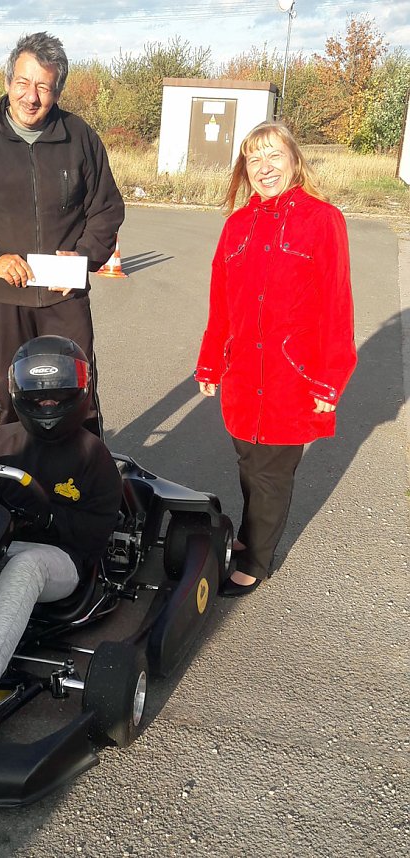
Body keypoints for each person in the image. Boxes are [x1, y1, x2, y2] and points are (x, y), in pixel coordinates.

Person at [0, 31, 125, 438]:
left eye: (43, 86)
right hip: (3, 295)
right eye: (23, 82)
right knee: (16, 399)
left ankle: (83, 485)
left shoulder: (80, 138)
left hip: (65, 297)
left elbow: (106, 209)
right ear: (7, 83)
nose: (31, 96)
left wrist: (85, 256)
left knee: (78, 396)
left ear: (58, 90)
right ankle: (19, 483)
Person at [194, 121, 357, 597]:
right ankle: (252, 533)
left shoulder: (322, 220)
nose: (265, 168)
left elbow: (336, 304)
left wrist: (330, 381)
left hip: (293, 372)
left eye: (274, 157)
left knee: (272, 468)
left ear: (294, 160)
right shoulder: (236, 225)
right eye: (254, 159)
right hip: (245, 368)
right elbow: (220, 300)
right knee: (249, 456)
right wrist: (210, 362)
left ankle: (258, 559)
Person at [0, 335, 122, 707]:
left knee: (25, 567)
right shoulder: (4, 440)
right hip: (0, 543)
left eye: (57, 394)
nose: (47, 402)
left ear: (79, 390)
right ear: (19, 390)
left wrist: (47, 516)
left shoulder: (93, 456)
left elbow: (96, 539)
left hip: (61, 561)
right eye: (38, 394)